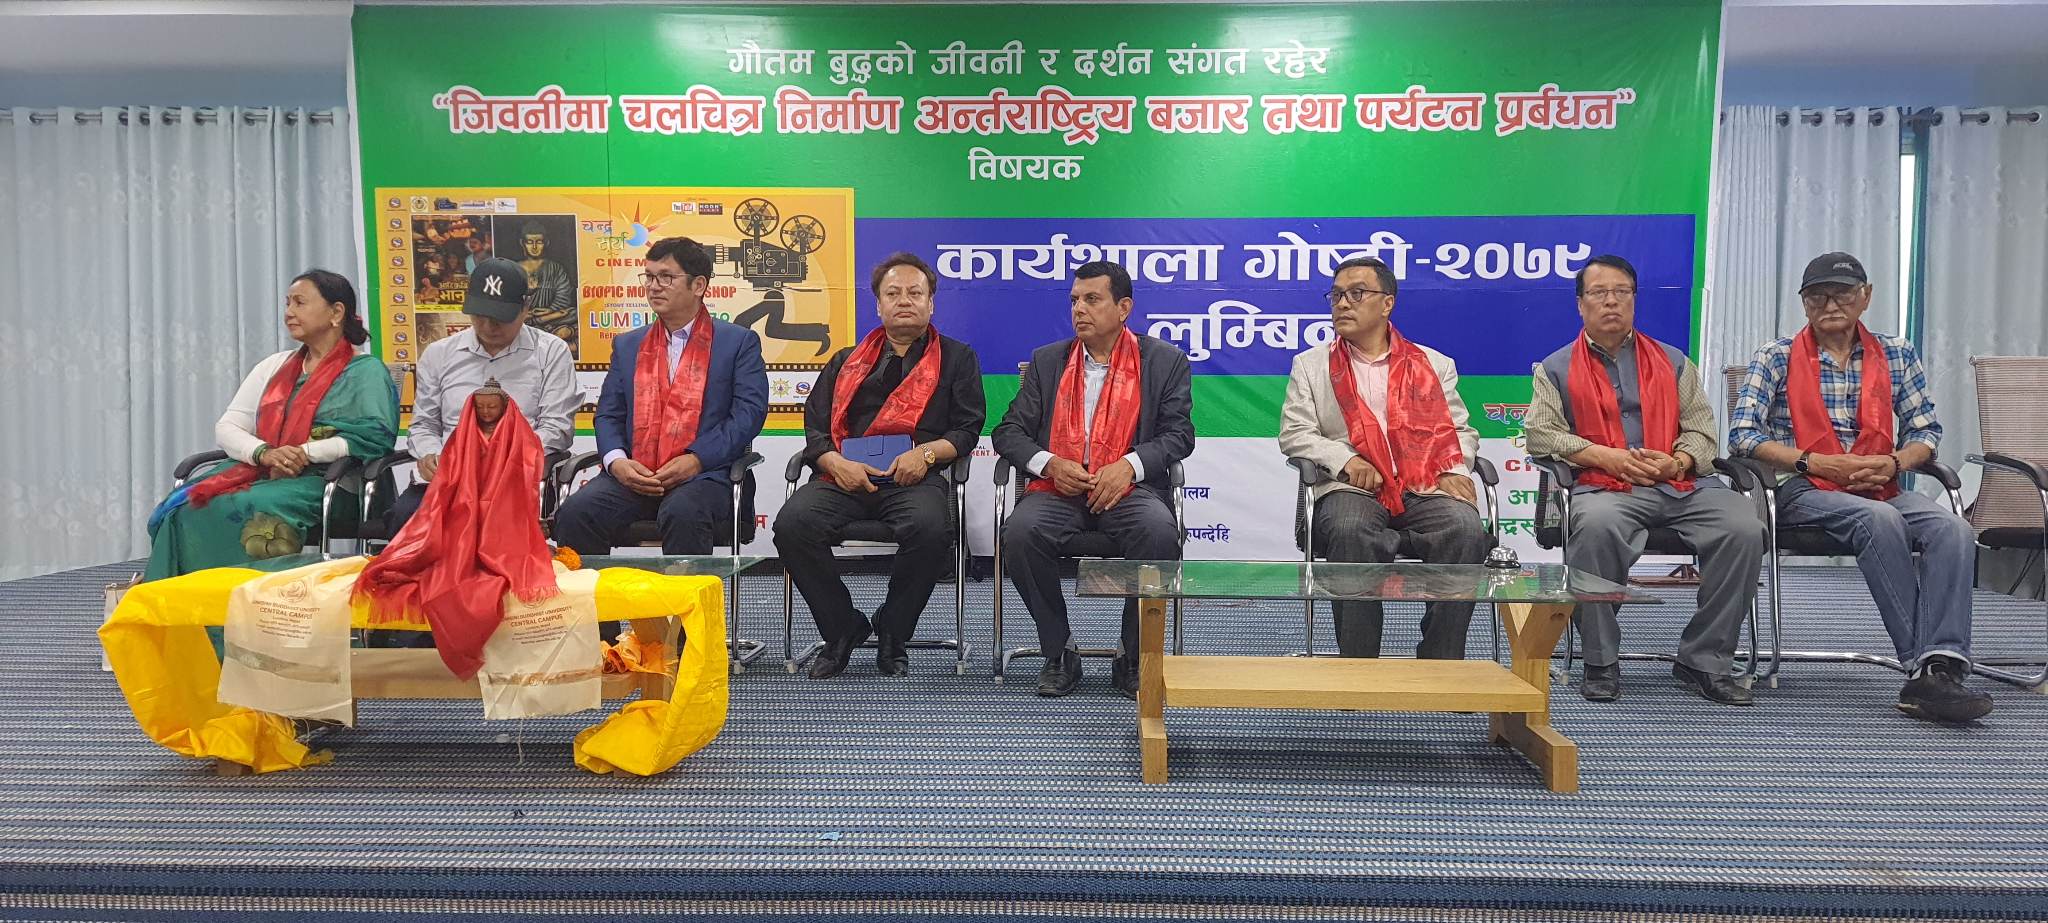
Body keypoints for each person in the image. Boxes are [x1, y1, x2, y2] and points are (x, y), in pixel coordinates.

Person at [1729, 251, 1992, 724]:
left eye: (1843, 294)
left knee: (1952, 528)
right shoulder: (1776, 356)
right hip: (1802, 488)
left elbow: (1925, 431)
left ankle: (1941, 664)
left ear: (1866, 296)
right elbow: (1743, 436)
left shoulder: (1895, 353)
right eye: (1817, 296)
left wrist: (1893, 463)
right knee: (1879, 520)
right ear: (1804, 304)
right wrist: (1816, 461)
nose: (1830, 305)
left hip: (1879, 483)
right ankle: (1926, 669)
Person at [1523, 254, 1765, 706]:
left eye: (1621, 292)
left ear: (1635, 299)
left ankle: (1704, 659)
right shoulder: (1554, 368)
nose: (1611, 301)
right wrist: (1604, 456)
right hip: (1604, 485)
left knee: (1744, 527)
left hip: (1680, 485)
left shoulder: (1673, 361)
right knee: (1594, 526)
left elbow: (1703, 434)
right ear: (1580, 304)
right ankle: (1600, 660)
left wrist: (1676, 461)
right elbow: (1540, 433)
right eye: (1599, 293)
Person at [774, 252, 985, 679]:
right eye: (893, 293)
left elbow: (967, 429)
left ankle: (893, 630)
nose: (904, 300)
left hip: (914, 478)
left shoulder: (957, 358)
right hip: (844, 476)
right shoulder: (846, 360)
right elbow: (816, 428)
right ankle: (842, 628)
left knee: (931, 530)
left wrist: (925, 455)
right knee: (792, 525)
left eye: (915, 293)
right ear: (878, 304)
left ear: (931, 303)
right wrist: (834, 462)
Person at [993, 261, 1194, 698]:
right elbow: (1008, 432)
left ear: (1124, 308)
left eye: (1091, 299)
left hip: (1129, 488)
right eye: (1074, 301)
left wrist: (1129, 466)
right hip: (1060, 489)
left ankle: (1133, 654)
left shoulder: (1164, 361)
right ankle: (1059, 650)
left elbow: (1179, 435)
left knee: (1159, 533)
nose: (1079, 309)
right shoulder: (1049, 361)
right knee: (1021, 534)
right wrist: (1049, 463)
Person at [1278, 256, 1491, 659]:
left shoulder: (1434, 364)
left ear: (1387, 303)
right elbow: (1296, 433)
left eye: (1356, 293)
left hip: (1422, 484)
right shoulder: (1310, 366)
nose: (1343, 303)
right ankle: (1359, 664)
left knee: (1463, 527)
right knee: (1350, 529)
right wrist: (1344, 460)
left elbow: (1460, 430)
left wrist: (1451, 467)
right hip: (1352, 487)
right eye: (1336, 295)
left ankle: (1441, 662)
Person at [144, 270, 398, 580]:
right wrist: (264, 453)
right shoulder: (274, 366)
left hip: (334, 483)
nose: (289, 312)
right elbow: (228, 426)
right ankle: (187, 601)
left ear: (336, 312)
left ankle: (254, 602)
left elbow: (373, 437)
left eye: (300, 303)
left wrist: (303, 453)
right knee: (184, 504)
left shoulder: (366, 371)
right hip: (265, 471)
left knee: (249, 507)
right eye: (287, 303)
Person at [554, 237, 768, 561]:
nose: (654, 287)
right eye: (650, 277)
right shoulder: (628, 345)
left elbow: (747, 416)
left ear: (698, 285)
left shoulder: (737, 343)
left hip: (706, 475)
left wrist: (696, 459)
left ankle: (682, 599)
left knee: (682, 511)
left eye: (666, 277)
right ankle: (597, 598)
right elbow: (609, 414)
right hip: (634, 474)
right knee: (576, 512)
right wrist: (617, 462)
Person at [389, 257, 578, 535]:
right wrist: (433, 454)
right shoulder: (439, 354)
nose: (489, 326)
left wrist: (504, 458)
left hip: (516, 478)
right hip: (449, 478)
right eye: (480, 315)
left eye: (501, 317)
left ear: (526, 307)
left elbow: (556, 427)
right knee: (405, 517)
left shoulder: (550, 352)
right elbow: (425, 424)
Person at [518, 221, 577, 347]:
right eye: (530, 242)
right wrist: (528, 293)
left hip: (549, 316)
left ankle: (541, 331)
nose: (534, 247)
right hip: (525, 318)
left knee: (574, 312)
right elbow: (508, 299)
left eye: (539, 242)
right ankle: (549, 335)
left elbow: (564, 296)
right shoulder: (514, 269)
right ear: (522, 243)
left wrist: (550, 310)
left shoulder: (555, 269)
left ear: (546, 243)